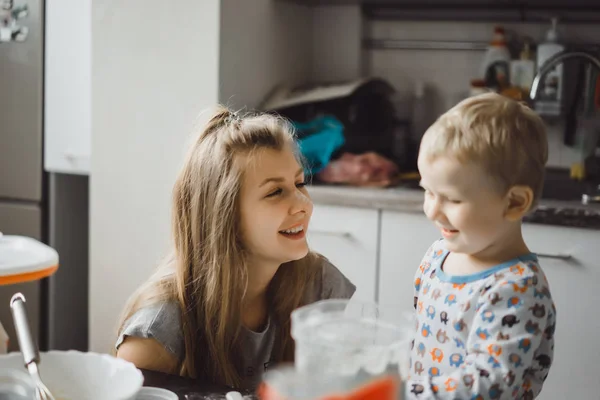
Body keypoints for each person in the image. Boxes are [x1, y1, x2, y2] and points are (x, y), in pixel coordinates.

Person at [114, 106, 355, 391]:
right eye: (275, 192)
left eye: (299, 183)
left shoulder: (318, 284)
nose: (304, 203)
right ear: (223, 213)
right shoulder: (158, 330)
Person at [407, 93, 556, 399]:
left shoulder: (517, 289)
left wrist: (400, 392)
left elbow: (488, 386)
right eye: (428, 192)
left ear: (514, 202)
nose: (433, 210)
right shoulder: (439, 254)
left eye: (452, 198)